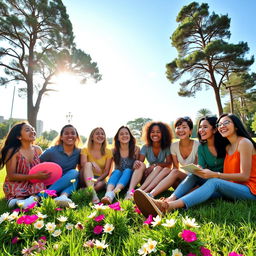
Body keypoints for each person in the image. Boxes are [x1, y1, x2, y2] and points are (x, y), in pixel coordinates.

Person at [134, 114, 256, 217]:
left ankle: (168, 207)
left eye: (226, 123)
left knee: (214, 182)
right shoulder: (227, 146)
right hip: (231, 187)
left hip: (250, 190)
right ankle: (168, 200)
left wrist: (214, 175)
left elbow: (245, 176)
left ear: (236, 125)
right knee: (195, 175)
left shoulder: (243, 142)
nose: (222, 126)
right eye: (219, 125)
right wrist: (200, 171)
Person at [146, 117, 199, 198]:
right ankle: (146, 192)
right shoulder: (174, 146)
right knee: (169, 171)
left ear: (190, 130)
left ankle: (150, 195)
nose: (181, 130)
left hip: (195, 179)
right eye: (178, 127)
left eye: (184, 127)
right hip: (183, 179)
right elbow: (175, 167)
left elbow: (196, 169)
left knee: (175, 172)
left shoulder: (197, 145)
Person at [0, 122, 49, 208]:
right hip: (16, 182)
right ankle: (17, 201)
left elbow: (42, 167)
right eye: (27, 130)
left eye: (33, 129)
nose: (32, 132)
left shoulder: (38, 150)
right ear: (19, 137)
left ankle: (27, 200)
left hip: (32, 183)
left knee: (41, 186)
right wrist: (34, 176)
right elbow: (11, 176)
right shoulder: (13, 151)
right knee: (18, 191)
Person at [39, 124, 82, 207]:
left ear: (76, 136)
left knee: (75, 177)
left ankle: (63, 197)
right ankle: (42, 196)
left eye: (73, 133)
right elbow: (36, 164)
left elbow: (82, 167)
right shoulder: (51, 151)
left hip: (67, 182)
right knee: (74, 172)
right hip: (51, 183)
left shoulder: (79, 152)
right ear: (61, 137)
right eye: (66, 133)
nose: (70, 135)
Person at [101, 126, 141, 204]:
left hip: (129, 180)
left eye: (127, 133)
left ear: (130, 136)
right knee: (116, 172)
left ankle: (113, 194)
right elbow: (108, 170)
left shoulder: (136, 149)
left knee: (127, 170)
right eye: (121, 134)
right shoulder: (113, 151)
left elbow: (137, 168)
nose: (124, 136)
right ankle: (108, 194)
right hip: (116, 179)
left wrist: (136, 163)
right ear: (118, 138)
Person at [136, 121, 173, 193]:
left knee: (158, 168)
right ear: (149, 134)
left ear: (163, 134)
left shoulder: (166, 147)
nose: (155, 134)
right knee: (142, 166)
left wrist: (154, 165)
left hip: (160, 176)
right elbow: (140, 163)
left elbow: (169, 164)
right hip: (148, 176)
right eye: (152, 132)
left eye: (158, 132)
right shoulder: (145, 147)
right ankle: (142, 190)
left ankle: (143, 190)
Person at [80, 127, 113, 204]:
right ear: (92, 137)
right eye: (97, 133)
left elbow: (106, 171)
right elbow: (83, 164)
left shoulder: (108, 152)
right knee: (88, 164)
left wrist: (97, 180)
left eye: (102, 134)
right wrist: (92, 163)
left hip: (99, 179)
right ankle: (93, 194)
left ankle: (83, 191)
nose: (100, 135)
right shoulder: (85, 149)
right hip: (85, 176)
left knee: (102, 184)